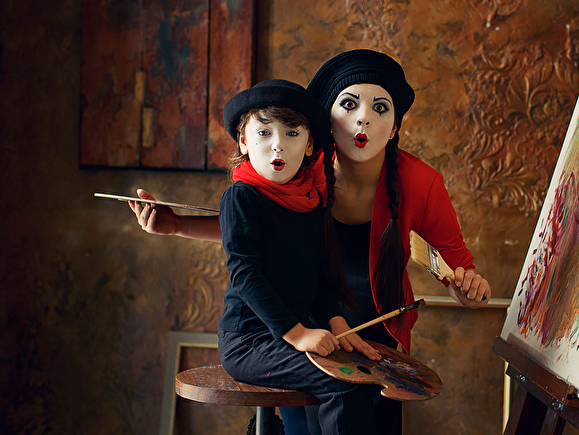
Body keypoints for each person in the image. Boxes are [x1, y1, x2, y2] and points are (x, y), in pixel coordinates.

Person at [129, 50, 492, 434]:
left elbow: (455, 266)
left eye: (380, 108)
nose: (363, 118)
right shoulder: (300, 168)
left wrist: (465, 286)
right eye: (349, 105)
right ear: (327, 122)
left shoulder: (421, 182)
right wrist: (177, 225)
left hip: (377, 334)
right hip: (301, 327)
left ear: (395, 127)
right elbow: (256, 234)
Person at [215, 79, 378, 435]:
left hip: (290, 334)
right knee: (342, 382)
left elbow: (314, 274)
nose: (278, 144)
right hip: (250, 342)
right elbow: (246, 276)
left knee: (362, 376)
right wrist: (297, 333)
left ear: (309, 146)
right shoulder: (241, 197)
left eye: (291, 133)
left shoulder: (310, 201)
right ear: (243, 142)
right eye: (264, 133)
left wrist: (337, 322)